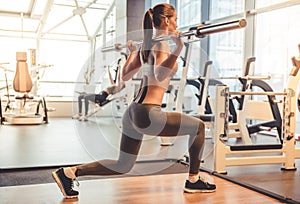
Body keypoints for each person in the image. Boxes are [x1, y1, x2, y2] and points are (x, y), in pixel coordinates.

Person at [52, 3, 216, 199]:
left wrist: (132, 53)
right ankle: (193, 180)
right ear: (166, 20)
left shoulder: (147, 45)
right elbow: (159, 72)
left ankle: (70, 172)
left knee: (123, 165)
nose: (176, 23)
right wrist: (179, 47)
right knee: (198, 127)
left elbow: (125, 76)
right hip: (149, 113)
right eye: (175, 20)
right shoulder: (162, 44)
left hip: (133, 113)